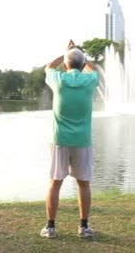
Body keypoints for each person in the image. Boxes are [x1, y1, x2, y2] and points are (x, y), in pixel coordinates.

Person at [40, 40, 99, 239]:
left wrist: (65, 53)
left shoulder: (58, 78)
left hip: (60, 140)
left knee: (55, 182)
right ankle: (83, 227)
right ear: (82, 66)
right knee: (84, 184)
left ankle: (50, 227)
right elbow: (92, 69)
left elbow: (48, 66)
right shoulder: (90, 80)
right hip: (82, 140)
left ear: (65, 65)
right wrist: (82, 56)